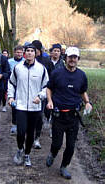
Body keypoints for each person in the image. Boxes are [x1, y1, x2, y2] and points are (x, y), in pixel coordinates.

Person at [45, 47, 92, 179]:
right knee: (57, 144)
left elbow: (83, 91)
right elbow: (49, 88)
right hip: (59, 115)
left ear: (78, 59)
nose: (72, 60)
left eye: (75, 57)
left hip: (73, 116)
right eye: (70, 57)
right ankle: (52, 154)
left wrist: (87, 102)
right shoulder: (57, 73)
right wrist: (49, 101)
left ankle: (64, 166)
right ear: (65, 58)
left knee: (71, 146)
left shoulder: (82, 75)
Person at [8, 44, 49, 166]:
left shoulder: (41, 69)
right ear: (24, 53)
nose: (30, 53)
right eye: (28, 51)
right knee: (20, 132)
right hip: (20, 106)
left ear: (36, 53)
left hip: (34, 107)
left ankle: (27, 155)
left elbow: (46, 87)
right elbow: (11, 83)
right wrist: (10, 97)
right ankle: (20, 149)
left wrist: (40, 96)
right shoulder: (18, 68)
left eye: (32, 51)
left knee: (30, 133)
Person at [32, 40, 51, 149]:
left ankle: (37, 138)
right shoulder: (27, 61)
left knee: (39, 115)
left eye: (35, 50)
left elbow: (51, 76)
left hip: (42, 93)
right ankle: (29, 135)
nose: (33, 52)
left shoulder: (46, 61)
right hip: (28, 92)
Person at [8, 45, 25, 135]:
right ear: (14, 52)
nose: (19, 54)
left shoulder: (25, 62)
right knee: (14, 105)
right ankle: (14, 124)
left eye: (21, 52)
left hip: (23, 87)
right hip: (13, 86)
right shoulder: (9, 61)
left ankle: (22, 124)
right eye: (17, 52)